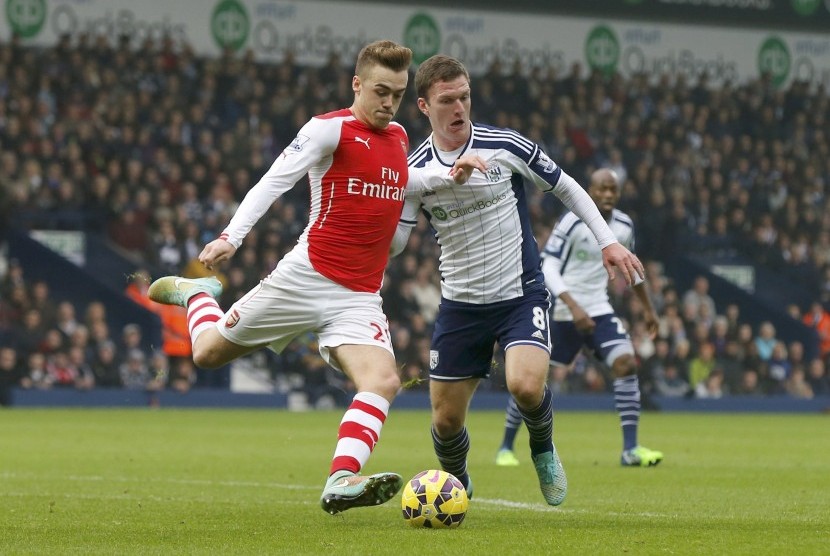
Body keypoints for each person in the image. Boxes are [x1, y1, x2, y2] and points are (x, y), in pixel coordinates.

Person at [145, 41, 483, 515]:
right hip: (306, 277)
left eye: (399, 95)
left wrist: (450, 176)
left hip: (360, 294)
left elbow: (401, 182)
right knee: (207, 354)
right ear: (357, 84)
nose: (389, 103)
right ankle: (198, 294)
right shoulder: (329, 130)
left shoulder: (400, 137)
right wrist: (231, 237)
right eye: (381, 92)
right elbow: (274, 179)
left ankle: (341, 478)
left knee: (384, 380)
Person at [390, 56, 644, 506]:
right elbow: (396, 242)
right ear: (425, 107)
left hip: (519, 296)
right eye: (447, 100)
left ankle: (542, 449)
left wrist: (607, 241)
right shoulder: (414, 171)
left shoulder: (504, 145)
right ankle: (456, 481)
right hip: (460, 304)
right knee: (446, 422)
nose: (459, 107)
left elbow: (567, 187)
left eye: (464, 96)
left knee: (525, 386)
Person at [496, 169, 664, 468]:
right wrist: (573, 307)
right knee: (531, 382)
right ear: (591, 190)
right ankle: (506, 447)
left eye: (613, 190)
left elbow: (631, 268)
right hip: (562, 310)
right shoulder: (573, 220)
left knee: (625, 363)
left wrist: (649, 310)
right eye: (603, 189)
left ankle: (630, 449)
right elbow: (548, 266)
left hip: (598, 307)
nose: (609, 195)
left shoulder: (624, 226)